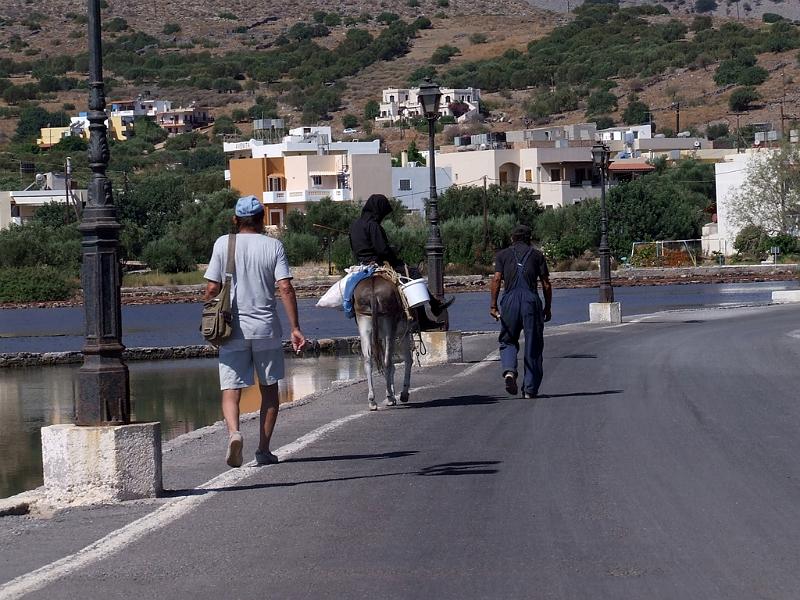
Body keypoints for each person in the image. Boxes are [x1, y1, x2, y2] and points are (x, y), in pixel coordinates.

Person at [204, 195, 305, 468]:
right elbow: (285, 287)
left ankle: (235, 432)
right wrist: (295, 327)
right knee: (269, 389)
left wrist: (208, 313)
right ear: (262, 219)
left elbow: (212, 289)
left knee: (231, 388)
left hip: (231, 329)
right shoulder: (274, 246)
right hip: (266, 329)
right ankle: (263, 450)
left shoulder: (223, 243)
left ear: (235, 220)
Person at [349, 194, 454, 321]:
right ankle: (428, 314)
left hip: (361, 264)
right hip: (377, 263)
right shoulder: (373, 225)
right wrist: (393, 254)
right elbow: (382, 250)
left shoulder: (354, 225)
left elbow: (354, 248)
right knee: (413, 274)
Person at [489, 224, 552, 398]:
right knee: (533, 344)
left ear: (512, 238)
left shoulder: (502, 255)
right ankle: (530, 390)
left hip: (509, 301)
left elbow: (496, 279)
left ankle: (509, 371)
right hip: (531, 301)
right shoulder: (538, 255)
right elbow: (546, 283)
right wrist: (547, 307)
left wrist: (493, 305)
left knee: (508, 339)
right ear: (529, 239)